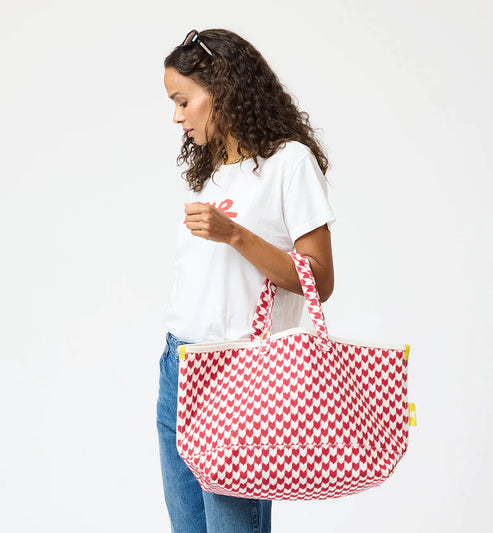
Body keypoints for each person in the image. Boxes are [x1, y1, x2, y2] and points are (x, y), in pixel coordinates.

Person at [156, 28, 336, 533]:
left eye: (183, 101)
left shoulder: (289, 163)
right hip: (179, 367)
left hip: (243, 375)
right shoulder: (212, 170)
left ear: (223, 90)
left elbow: (320, 280)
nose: (177, 116)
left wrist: (235, 234)